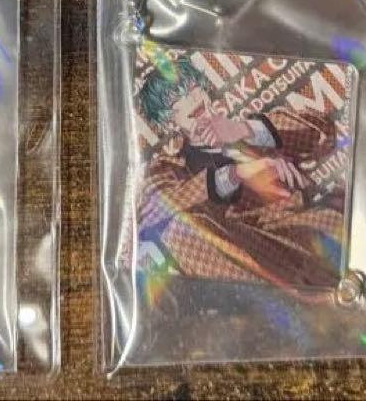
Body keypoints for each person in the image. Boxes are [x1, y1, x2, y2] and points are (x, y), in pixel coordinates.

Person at [135, 59, 346, 290]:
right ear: (168, 123)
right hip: (255, 259)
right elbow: (153, 210)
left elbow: (322, 133)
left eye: (193, 88)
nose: (191, 99)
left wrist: (241, 130)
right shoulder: (170, 167)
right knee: (177, 229)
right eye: (177, 100)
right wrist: (236, 173)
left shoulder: (248, 130)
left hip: (315, 229)